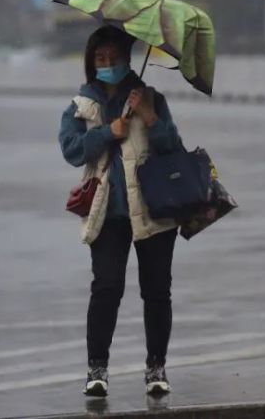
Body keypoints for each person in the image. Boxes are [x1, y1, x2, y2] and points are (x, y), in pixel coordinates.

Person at [59, 25, 182, 398]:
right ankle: (97, 370)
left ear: (127, 58)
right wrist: (106, 133)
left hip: (155, 210)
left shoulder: (150, 98)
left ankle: (156, 369)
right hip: (108, 214)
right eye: (100, 58)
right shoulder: (81, 106)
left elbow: (172, 148)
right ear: (91, 62)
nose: (108, 63)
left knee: (157, 292)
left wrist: (150, 117)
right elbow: (72, 150)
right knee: (106, 288)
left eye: (114, 56)